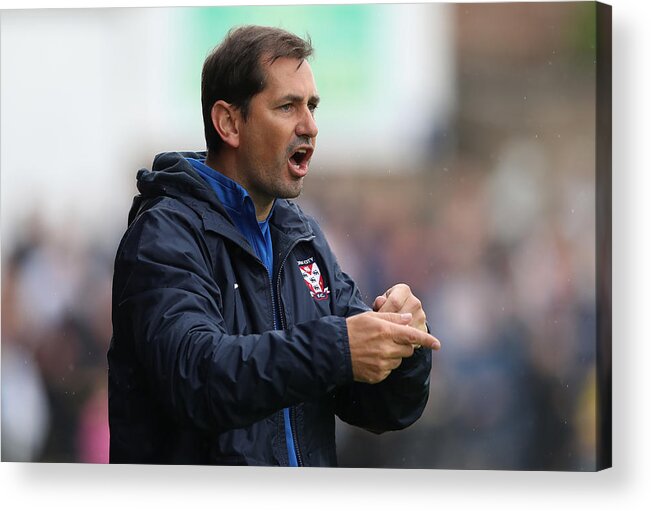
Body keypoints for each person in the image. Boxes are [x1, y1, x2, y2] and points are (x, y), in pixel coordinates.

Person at [108, 25, 440, 466]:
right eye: (287, 107)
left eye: (312, 106)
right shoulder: (165, 234)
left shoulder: (300, 236)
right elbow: (197, 377)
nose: (310, 126)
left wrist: (402, 342)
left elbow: (378, 408)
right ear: (229, 123)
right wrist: (339, 346)